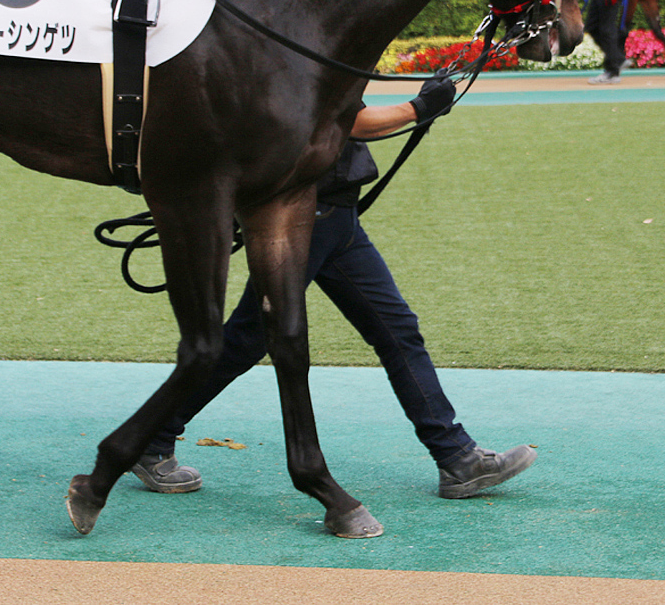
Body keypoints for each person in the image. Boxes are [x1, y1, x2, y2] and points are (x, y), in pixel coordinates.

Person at [134, 81, 539, 501]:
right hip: (306, 217)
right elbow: (355, 123)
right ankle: (149, 438)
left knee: (395, 331)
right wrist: (419, 109)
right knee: (248, 338)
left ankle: (458, 459)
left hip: (333, 217)